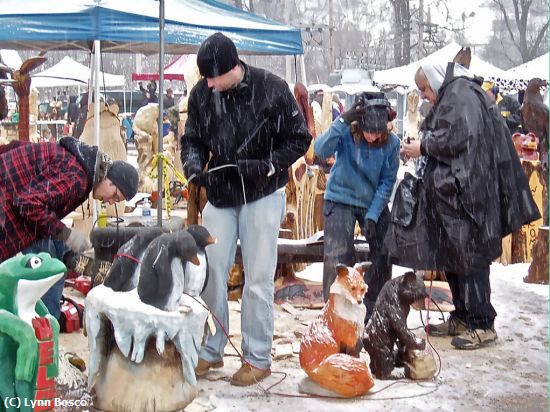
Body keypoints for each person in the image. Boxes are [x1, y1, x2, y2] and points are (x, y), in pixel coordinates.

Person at [180, 32, 311, 386]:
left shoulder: (271, 88)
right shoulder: (203, 95)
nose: (209, 84)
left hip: (263, 192)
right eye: (205, 77)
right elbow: (191, 138)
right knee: (207, 272)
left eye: (214, 77)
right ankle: (211, 347)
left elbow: (300, 137)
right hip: (221, 194)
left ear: (233, 66)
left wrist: (268, 164)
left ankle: (257, 357)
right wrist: (193, 166)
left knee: (256, 278)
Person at [386, 62, 540, 349]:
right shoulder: (456, 94)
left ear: (434, 82)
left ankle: (482, 323)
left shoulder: (461, 94)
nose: (423, 96)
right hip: (457, 197)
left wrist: (424, 146)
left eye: (424, 89)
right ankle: (463, 316)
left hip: (470, 198)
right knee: (455, 257)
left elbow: (460, 136)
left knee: (471, 258)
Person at [0, 137, 139, 315]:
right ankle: (46, 331)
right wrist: (67, 234)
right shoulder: (78, 177)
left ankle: (96, 270)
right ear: (110, 180)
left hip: (20, 211)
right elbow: (27, 204)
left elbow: (42, 206)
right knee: (49, 276)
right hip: (12, 208)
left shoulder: (81, 164)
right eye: (115, 196)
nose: (110, 202)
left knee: (61, 256)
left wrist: (67, 243)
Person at [314, 92, 400, 324]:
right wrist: (342, 120)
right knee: (338, 255)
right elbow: (320, 150)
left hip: (372, 200)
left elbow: (386, 182)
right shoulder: (346, 134)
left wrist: (373, 216)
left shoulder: (392, 145)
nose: (372, 136)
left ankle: (373, 308)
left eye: (377, 132)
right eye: (368, 131)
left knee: (384, 249)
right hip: (340, 199)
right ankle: (334, 312)